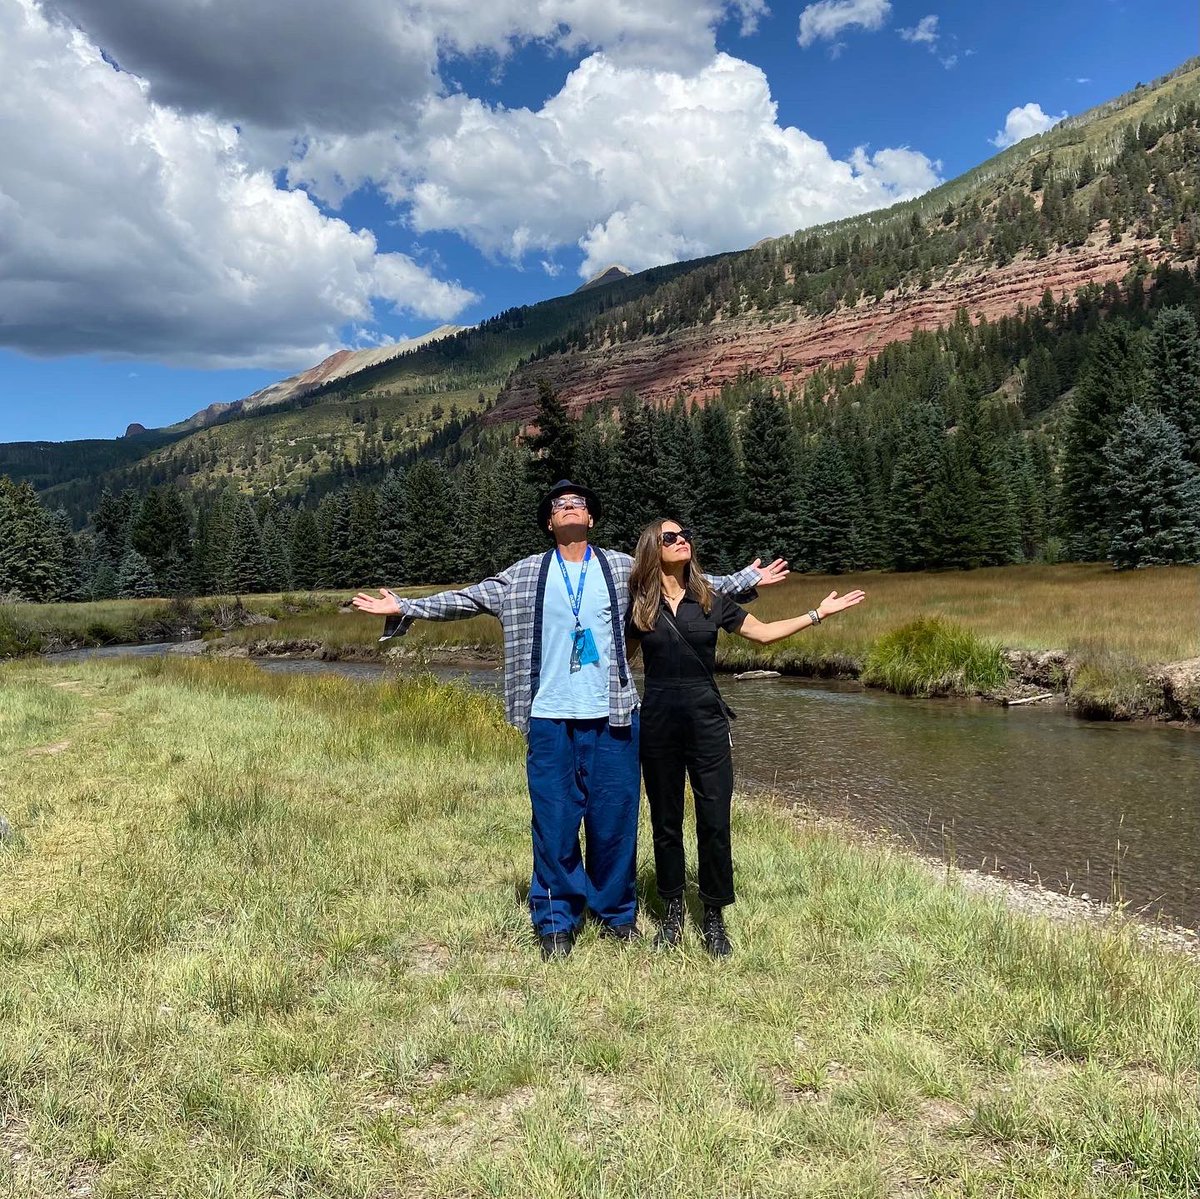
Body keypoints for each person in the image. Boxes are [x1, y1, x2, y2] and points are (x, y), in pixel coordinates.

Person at [352, 481, 788, 961]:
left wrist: (746, 579)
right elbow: (468, 599)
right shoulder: (523, 575)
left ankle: (617, 915)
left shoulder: (623, 568)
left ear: (591, 519)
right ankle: (556, 920)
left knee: (615, 821)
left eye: (578, 503)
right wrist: (406, 607)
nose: (570, 507)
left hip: (614, 715)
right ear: (549, 522)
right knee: (555, 821)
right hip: (548, 715)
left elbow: (684, 588)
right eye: (560, 505)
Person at [626, 518, 865, 957]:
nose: (683, 542)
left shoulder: (711, 599)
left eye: (685, 536)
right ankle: (674, 913)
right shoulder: (640, 606)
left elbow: (765, 634)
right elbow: (618, 662)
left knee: (714, 821)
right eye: (671, 538)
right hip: (658, 723)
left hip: (707, 722)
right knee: (665, 822)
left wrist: (817, 614)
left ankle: (714, 917)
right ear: (652, 549)